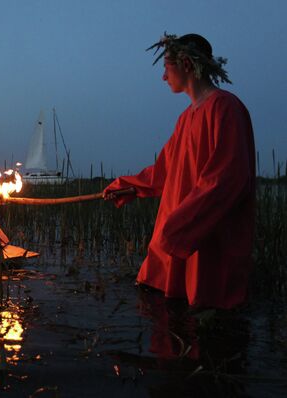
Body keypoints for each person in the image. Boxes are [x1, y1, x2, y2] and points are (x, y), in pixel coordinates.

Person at [103, 33, 256, 309]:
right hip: (178, 235)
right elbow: (163, 172)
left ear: (186, 64)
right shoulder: (186, 118)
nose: (163, 76)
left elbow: (228, 178)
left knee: (206, 321)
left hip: (206, 238)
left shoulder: (224, 108)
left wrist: (180, 225)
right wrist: (127, 186)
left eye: (166, 67)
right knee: (169, 315)